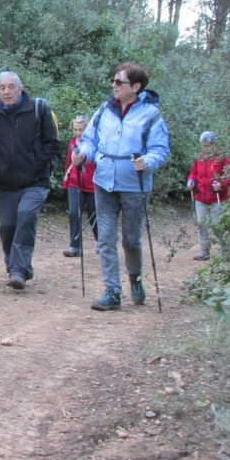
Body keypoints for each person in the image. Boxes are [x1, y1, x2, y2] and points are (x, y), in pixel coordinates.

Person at [75, 62, 169, 311]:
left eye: (119, 82)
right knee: (105, 238)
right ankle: (112, 291)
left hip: (135, 186)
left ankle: (135, 279)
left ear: (136, 87)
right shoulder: (105, 109)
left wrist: (147, 161)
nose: (113, 85)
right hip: (104, 182)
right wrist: (83, 153)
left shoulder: (151, 114)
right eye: (113, 81)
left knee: (131, 240)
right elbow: (90, 140)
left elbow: (161, 149)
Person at [0, 71, 59, 290]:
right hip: (5, 182)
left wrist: (36, 166)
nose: (6, 91)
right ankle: (13, 266)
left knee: (25, 217)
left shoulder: (38, 109)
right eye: (2, 87)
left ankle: (19, 270)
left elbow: (52, 143)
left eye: (11, 87)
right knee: (8, 226)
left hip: (35, 181)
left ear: (20, 89)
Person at [187, 130, 230, 261]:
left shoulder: (222, 157)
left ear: (214, 144)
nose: (205, 148)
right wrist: (191, 181)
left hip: (217, 197)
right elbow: (193, 173)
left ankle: (226, 251)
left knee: (218, 224)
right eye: (203, 145)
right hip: (200, 196)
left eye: (207, 146)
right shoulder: (199, 157)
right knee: (201, 223)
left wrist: (222, 184)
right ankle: (204, 251)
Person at [62, 116, 97, 257]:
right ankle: (74, 246)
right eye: (75, 130)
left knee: (94, 214)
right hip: (74, 183)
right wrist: (66, 181)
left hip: (93, 184)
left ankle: (101, 241)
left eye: (81, 130)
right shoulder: (72, 144)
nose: (78, 133)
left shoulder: (94, 144)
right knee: (73, 213)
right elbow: (68, 164)